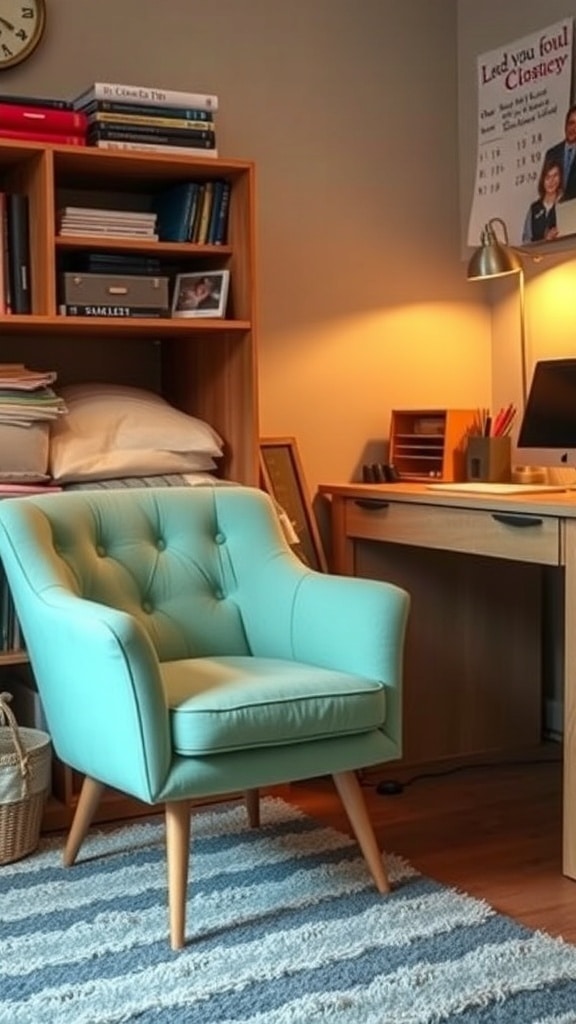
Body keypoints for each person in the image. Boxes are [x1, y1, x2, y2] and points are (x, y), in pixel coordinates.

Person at [521, 159, 562, 243]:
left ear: (561, 178)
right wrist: (545, 240)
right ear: (542, 180)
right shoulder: (534, 208)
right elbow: (526, 241)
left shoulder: (565, 203)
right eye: (548, 177)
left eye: (555, 176)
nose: (551, 181)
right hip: (539, 254)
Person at [542, 104, 576, 200]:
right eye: (571, 123)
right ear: (565, 124)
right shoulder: (551, 154)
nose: (573, 128)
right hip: (554, 210)